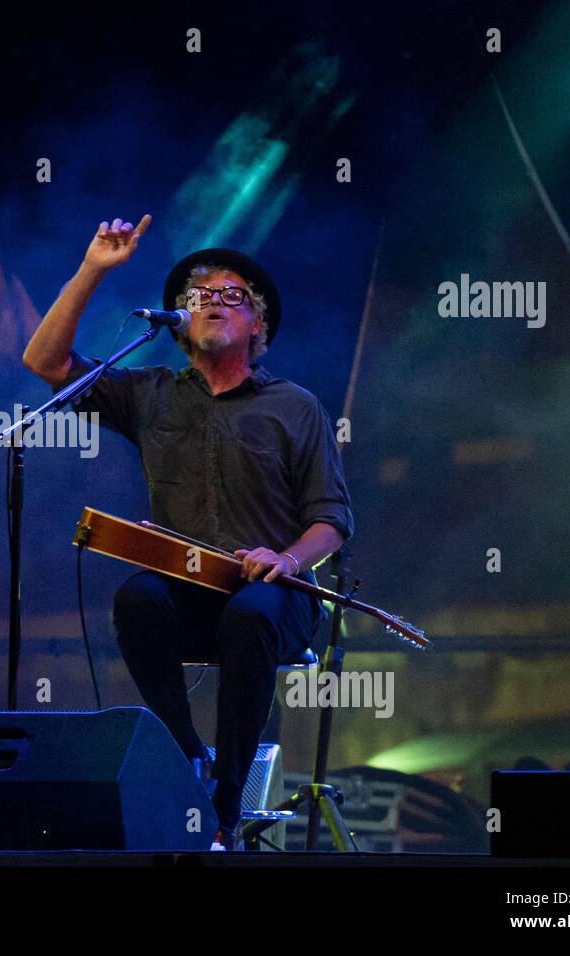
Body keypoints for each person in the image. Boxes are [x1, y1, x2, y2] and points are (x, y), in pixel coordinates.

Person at [22, 214, 353, 849]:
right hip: (191, 595)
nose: (212, 304)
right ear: (179, 324)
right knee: (137, 597)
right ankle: (185, 755)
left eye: (233, 296)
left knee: (252, 611)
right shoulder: (149, 394)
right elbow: (44, 360)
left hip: (275, 602)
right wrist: (94, 268)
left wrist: (287, 558)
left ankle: (229, 793)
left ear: (258, 326)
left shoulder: (295, 406)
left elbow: (333, 517)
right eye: (198, 297)